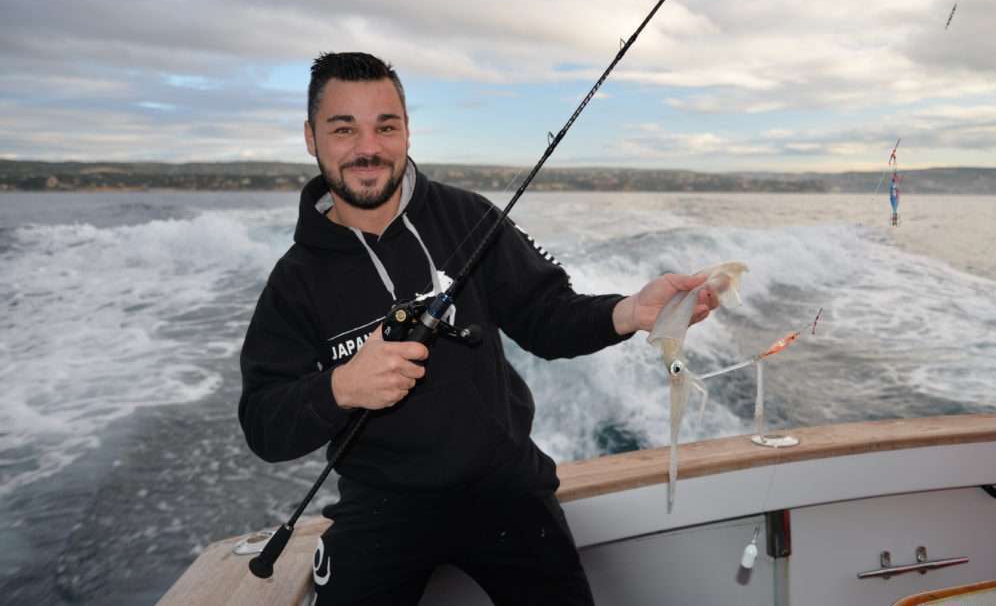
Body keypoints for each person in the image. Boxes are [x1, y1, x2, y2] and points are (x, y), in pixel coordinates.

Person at [239, 52, 718, 605]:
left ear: (407, 132)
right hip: (382, 504)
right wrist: (341, 388)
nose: (367, 148)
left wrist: (630, 311)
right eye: (344, 128)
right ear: (310, 137)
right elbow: (263, 424)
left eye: (385, 127)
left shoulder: (467, 217)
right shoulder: (295, 281)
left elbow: (547, 317)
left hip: (505, 487)